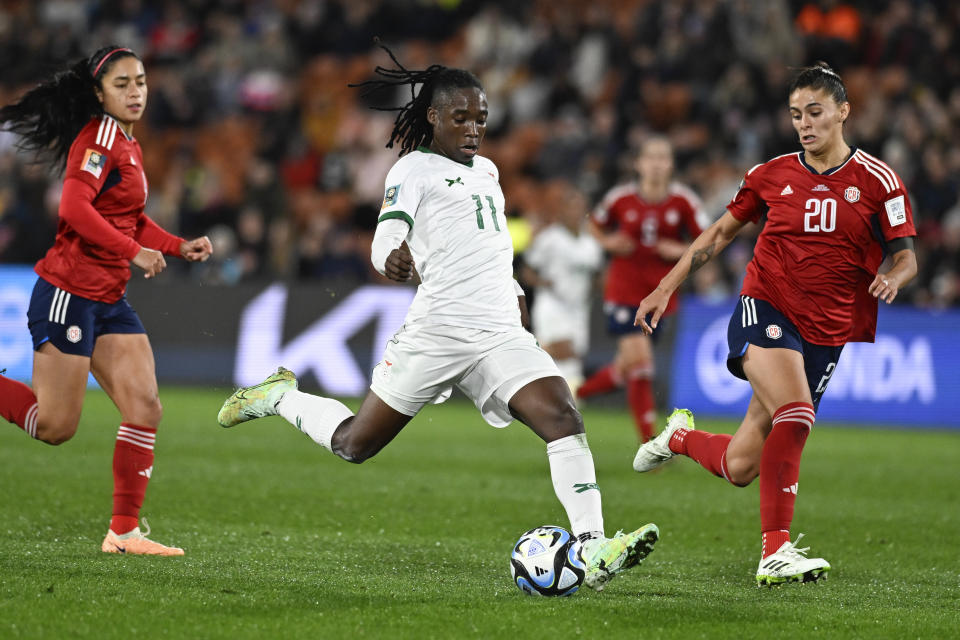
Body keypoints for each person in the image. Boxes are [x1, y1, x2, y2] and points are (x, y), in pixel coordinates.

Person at [218, 51, 658, 591]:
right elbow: (387, 234)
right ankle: (280, 396)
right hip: (438, 330)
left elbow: (493, 243)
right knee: (357, 444)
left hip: (498, 328)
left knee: (563, 415)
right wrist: (390, 259)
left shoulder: (490, 171)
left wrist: (516, 292)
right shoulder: (413, 169)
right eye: (461, 118)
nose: (473, 129)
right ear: (433, 117)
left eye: (481, 118)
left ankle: (592, 549)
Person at [632, 63, 918, 586]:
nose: (804, 124)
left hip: (827, 333)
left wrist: (892, 276)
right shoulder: (771, 175)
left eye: (814, 112)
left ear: (842, 111)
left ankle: (678, 438)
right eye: (795, 115)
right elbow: (718, 234)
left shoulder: (879, 181)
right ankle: (775, 552)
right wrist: (665, 286)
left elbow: (907, 256)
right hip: (766, 306)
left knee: (742, 466)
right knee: (797, 411)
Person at [0, 46, 213, 555]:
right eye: (122, 84)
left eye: (140, 81)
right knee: (55, 428)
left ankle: (123, 532)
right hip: (68, 296)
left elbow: (129, 217)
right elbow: (74, 207)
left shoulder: (129, 145)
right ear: (99, 93)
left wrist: (174, 246)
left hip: (109, 300)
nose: (135, 90)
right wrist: (134, 252)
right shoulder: (98, 139)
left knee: (144, 406)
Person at [577, 136, 707, 442]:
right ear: (638, 163)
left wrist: (679, 249)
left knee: (626, 368)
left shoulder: (684, 201)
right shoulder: (620, 198)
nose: (657, 164)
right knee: (642, 366)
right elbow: (593, 224)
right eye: (651, 157)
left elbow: (708, 241)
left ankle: (575, 394)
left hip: (661, 296)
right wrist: (608, 242)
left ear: (671, 164)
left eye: (663, 158)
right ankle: (650, 444)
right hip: (623, 292)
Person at [520, 179, 603, 394]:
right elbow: (527, 270)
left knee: (568, 355)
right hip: (552, 303)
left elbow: (596, 274)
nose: (576, 212)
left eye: (580, 208)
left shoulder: (591, 244)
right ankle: (571, 390)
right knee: (564, 350)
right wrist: (541, 282)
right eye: (571, 207)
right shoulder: (550, 239)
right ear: (563, 210)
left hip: (578, 307)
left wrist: (594, 290)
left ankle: (532, 367)